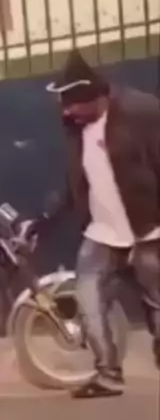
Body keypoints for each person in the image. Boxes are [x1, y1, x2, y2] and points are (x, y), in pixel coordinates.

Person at [38, 50, 160, 397]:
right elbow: (76, 180)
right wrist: (47, 216)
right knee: (88, 297)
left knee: (156, 302)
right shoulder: (75, 128)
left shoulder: (141, 111)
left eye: (72, 105)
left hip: (148, 229)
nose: (66, 113)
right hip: (103, 233)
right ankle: (108, 372)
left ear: (94, 96)